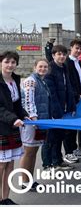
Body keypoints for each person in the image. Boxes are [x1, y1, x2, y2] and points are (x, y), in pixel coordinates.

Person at [44, 45, 76, 170]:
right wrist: (56, 112)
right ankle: (48, 164)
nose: (62, 56)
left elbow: (68, 87)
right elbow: (52, 94)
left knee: (60, 136)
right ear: (53, 55)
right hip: (54, 111)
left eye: (63, 54)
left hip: (64, 108)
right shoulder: (50, 70)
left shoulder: (64, 67)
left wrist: (72, 106)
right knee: (51, 139)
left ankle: (58, 161)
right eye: (59, 54)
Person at [20, 59, 50, 192]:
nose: (43, 69)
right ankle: (24, 181)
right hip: (31, 122)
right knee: (28, 152)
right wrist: (34, 119)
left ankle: (29, 180)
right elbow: (28, 101)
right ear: (34, 67)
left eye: (45, 67)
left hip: (39, 121)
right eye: (40, 66)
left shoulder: (42, 81)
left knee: (33, 152)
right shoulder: (31, 81)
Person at [0, 51, 26, 205]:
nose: (10, 65)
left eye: (13, 62)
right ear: (1, 63)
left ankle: (6, 198)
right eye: (7, 62)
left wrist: (24, 115)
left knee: (10, 163)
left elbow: (16, 104)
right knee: (2, 164)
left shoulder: (15, 80)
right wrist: (13, 119)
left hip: (14, 126)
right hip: (2, 127)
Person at [64, 39, 81, 161]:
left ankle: (75, 149)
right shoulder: (67, 63)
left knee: (76, 125)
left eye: (80, 49)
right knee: (70, 127)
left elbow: (80, 80)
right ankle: (68, 152)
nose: (78, 51)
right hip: (71, 98)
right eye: (76, 48)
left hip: (80, 97)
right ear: (71, 48)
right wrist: (76, 95)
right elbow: (68, 83)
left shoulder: (80, 63)